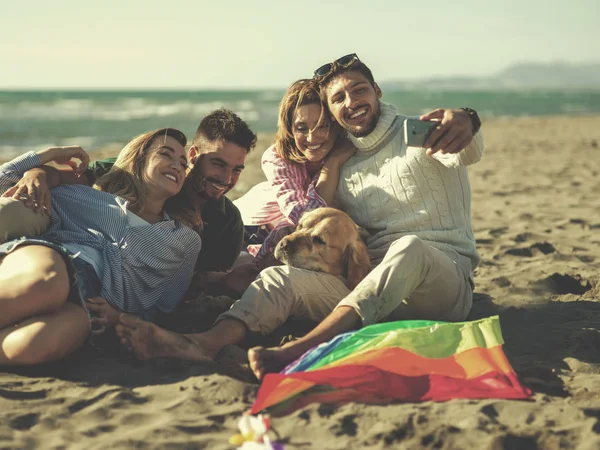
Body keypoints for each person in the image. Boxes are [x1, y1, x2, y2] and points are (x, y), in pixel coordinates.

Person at [115, 54, 484, 376]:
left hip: (441, 283)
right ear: (333, 111)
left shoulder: (417, 134)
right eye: (338, 98)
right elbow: (314, 212)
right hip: (366, 284)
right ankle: (203, 343)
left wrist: (468, 120)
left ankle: (296, 350)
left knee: (410, 248)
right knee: (279, 278)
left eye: (359, 90)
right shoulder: (341, 161)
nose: (351, 102)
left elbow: (466, 147)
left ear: (378, 91)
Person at [0, 128, 202, 365]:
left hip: (90, 305)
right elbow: (4, 184)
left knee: (34, 344)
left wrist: (119, 318)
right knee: (49, 281)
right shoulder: (86, 196)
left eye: (183, 163)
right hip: (53, 256)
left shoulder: (184, 240)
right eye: (166, 154)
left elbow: (163, 309)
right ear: (140, 157)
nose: (178, 166)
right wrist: (46, 157)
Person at [0, 109, 257, 295]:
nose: (226, 178)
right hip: (58, 238)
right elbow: (65, 176)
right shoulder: (143, 172)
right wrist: (38, 172)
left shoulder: (228, 223)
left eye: (237, 169)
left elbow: (197, 285)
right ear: (193, 154)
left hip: (96, 281)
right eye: (218, 164)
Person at [233, 78, 355, 260]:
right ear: (290, 129)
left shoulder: (347, 152)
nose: (312, 137)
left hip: (283, 237)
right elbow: (305, 219)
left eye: (321, 126)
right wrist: (332, 165)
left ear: (335, 123)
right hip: (246, 230)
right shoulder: (276, 157)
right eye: (301, 128)